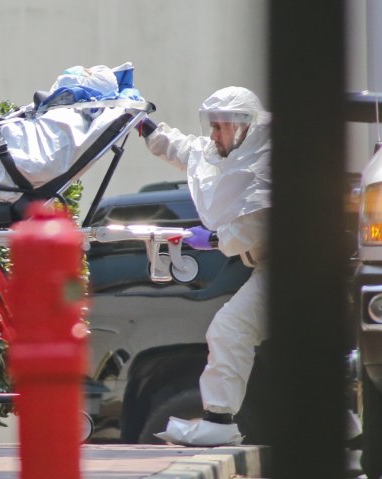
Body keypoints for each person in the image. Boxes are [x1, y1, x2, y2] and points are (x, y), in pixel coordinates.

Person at [138, 86, 271, 446]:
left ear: (242, 126)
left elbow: (253, 226)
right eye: (211, 126)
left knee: (229, 330)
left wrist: (211, 240)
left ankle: (219, 421)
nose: (213, 135)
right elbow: (188, 150)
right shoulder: (234, 152)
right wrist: (145, 127)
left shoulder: (265, 161)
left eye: (219, 127)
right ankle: (348, 431)